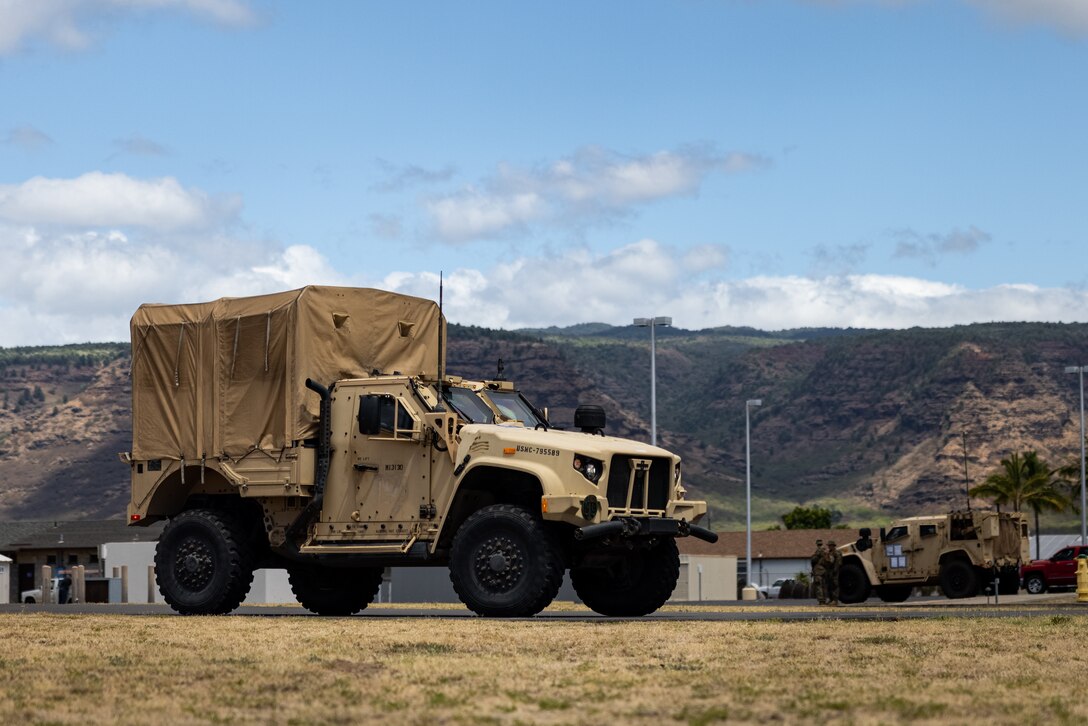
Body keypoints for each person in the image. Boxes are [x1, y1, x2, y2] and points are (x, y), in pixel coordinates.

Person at [825, 540, 842, 606]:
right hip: (829, 571)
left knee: (835, 585)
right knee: (829, 585)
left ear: (833, 546)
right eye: (828, 546)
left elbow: (838, 562)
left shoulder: (837, 552)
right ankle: (831, 599)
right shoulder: (829, 553)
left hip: (834, 571)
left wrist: (835, 569)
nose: (829, 547)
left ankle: (835, 600)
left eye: (830, 545)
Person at [810, 539, 826, 605]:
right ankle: (824, 599)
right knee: (823, 586)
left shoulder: (819, 550)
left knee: (818, 585)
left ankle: (821, 600)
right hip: (824, 570)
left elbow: (814, 560)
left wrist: (812, 557)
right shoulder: (825, 551)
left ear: (817, 544)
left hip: (818, 571)